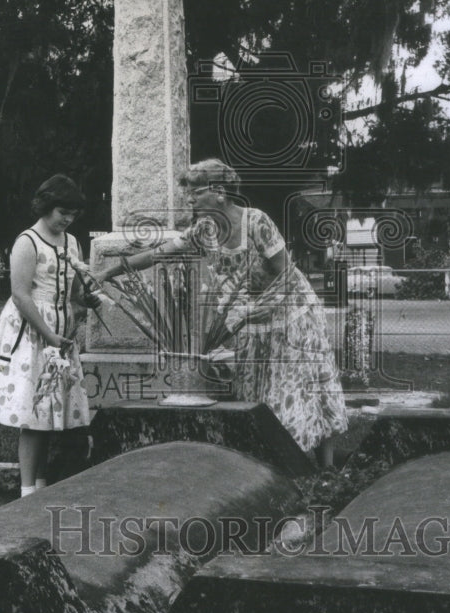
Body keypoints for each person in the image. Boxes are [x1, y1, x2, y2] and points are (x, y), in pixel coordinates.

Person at [92, 159, 347, 464]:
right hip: (250, 322)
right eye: (188, 192)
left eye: (196, 191)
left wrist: (251, 310)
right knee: (257, 393)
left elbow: (285, 274)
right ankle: (279, 468)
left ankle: (326, 470)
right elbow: (158, 255)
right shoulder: (204, 230)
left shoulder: (256, 222)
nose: (190, 198)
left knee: (301, 385)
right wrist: (110, 272)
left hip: (292, 314)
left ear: (220, 192)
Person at [0, 175, 92, 495]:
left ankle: (41, 485)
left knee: (50, 415)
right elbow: (21, 295)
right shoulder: (28, 241)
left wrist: (86, 298)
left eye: (73, 215)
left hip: (60, 335)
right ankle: (27, 491)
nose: (67, 220)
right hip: (31, 334)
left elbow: (75, 290)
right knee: (33, 414)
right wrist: (49, 335)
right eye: (62, 213)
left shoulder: (72, 242)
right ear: (46, 206)